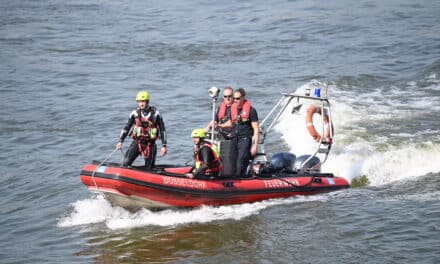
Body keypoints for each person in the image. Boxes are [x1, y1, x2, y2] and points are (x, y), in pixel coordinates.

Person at [116, 90, 167, 169]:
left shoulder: (156, 114)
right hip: (137, 142)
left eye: (143, 101)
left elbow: (162, 130)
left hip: (150, 144)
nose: (141, 104)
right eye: (139, 101)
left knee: (149, 168)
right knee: (126, 163)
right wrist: (120, 141)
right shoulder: (134, 113)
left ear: (147, 101)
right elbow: (127, 127)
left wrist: (164, 146)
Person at [231, 88, 259, 176]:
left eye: (238, 98)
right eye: (234, 98)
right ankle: (233, 180)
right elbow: (230, 122)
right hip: (234, 138)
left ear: (243, 98)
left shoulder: (251, 111)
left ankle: (241, 180)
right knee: (232, 162)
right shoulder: (233, 109)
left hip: (245, 139)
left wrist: (255, 146)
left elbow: (256, 128)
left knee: (240, 162)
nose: (235, 100)